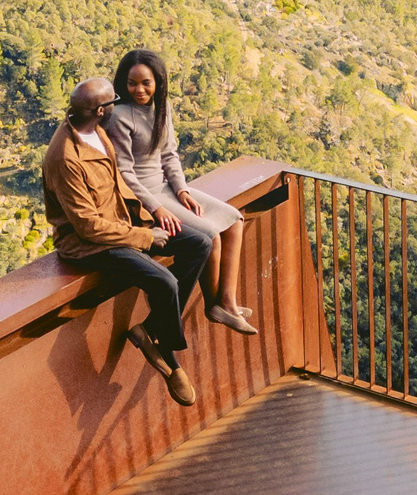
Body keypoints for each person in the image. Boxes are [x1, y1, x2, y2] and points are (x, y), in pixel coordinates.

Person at [43, 75, 210, 406]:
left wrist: (152, 212)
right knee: (164, 281)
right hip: (89, 245)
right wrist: (145, 236)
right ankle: (170, 359)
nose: (117, 105)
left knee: (199, 244)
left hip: (122, 221)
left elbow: (118, 183)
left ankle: (149, 330)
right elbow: (87, 227)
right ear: (101, 110)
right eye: (113, 102)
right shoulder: (65, 157)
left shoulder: (96, 132)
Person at [106, 48, 258, 336]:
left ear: (158, 82)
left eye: (146, 83)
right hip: (144, 196)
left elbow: (169, 155)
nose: (139, 90)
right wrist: (156, 207)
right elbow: (124, 173)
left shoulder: (162, 108)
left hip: (167, 188)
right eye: (132, 83)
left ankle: (227, 301)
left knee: (234, 220)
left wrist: (182, 190)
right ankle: (215, 305)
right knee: (210, 236)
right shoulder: (120, 116)